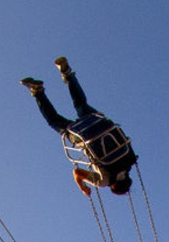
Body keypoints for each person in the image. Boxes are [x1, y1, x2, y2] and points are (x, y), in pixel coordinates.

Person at [20, 57, 136, 195]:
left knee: (81, 104)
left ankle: (67, 72)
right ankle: (37, 91)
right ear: (113, 186)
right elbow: (77, 172)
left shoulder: (130, 159)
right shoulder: (105, 181)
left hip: (101, 124)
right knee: (54, 121)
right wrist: (82, 187)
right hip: (84, 136)